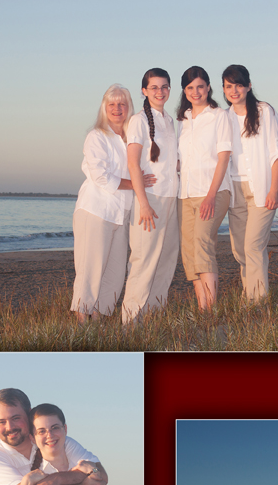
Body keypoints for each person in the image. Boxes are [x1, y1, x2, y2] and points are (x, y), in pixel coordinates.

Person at [71, 84, 156, 323]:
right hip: (95, 211)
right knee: (90, 269)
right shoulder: (96, 136)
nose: (117, 109)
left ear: (129, 108)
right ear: (104, 108)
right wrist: (136, 183)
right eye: (112, 104)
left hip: (122, 213)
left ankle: (97, 318)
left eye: (122, 104)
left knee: (115, 273)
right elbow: (100, 176)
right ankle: (81, 320)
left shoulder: (133, 138)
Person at [222, 64, 278, 301]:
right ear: (223, 89)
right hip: (234, 190)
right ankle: (249, 294)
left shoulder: (263, 111)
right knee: (240, 250)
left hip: (262, 189)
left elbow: (276, 153)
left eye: (239, 84)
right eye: (229, 86)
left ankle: (257, 303)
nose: (234, 90)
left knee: (253, 246)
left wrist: (273, 190)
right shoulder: (223, 117)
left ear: (249, 86)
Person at [122, 68, 180, 324]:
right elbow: (133, 164)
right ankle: (130, 325)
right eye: (154, 87)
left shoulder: (169, 121)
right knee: (143, 262)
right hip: (151, 201)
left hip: (172, 199)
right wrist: (143, 203)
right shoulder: (138, 121)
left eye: (164, 86)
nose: (160, 91)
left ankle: (152, 321)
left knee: (166, 261)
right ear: (144, 91)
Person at [175, 66, 233, 309]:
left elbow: (224, 157)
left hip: (213, 192)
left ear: (208, 87)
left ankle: (210, 311)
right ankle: (203, 309)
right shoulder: (183, 119)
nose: (195, 91)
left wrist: (210, 196)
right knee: (188, 251)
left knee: (202, 243)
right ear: (185, 91)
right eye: (190, 88)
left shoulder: (219, 116)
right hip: (185, 194)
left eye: (200, 86)